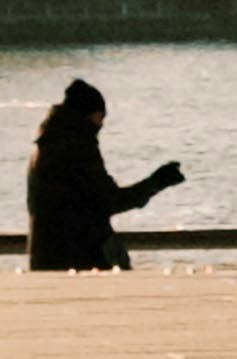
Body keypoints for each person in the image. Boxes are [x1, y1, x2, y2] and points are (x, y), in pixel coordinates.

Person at [26, 79, 185, 272]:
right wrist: (156, 182)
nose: (101, 125)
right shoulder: (79, 147)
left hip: (46, 256)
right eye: (100, 117)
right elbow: (108, 201)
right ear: (90, 115)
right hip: (81, 258)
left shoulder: (45, 145)